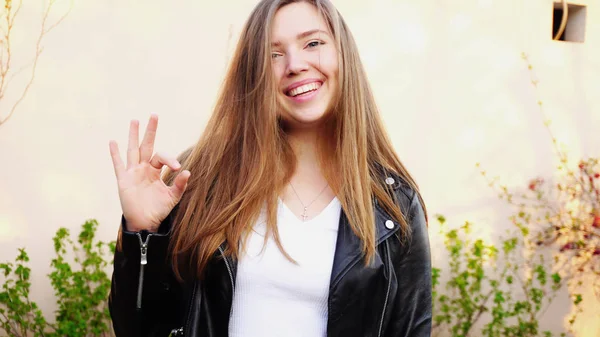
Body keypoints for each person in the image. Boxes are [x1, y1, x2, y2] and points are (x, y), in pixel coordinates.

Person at [107, 0, 432, 336]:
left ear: (343, 55)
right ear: (253, 72)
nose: (295, 64)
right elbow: (137, 328)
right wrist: (142, 234)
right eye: (273, 54)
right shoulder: (201, 178)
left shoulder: (395, 204)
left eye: (313, 43)